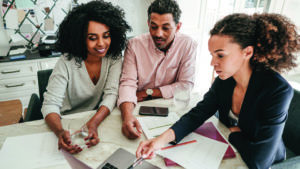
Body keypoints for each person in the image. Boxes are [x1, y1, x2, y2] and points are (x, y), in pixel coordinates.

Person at [136, 13, 299, 169]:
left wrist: (234, 135)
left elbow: (260, 162)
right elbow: (198, 113)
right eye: (212, 55)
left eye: (220, 55)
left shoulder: (277, 90)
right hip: (233, 149)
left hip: (267, 161)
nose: (213, 63)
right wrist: (159, 141)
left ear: (247, 52)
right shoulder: (225, 79)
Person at [41, 1, 131, 154]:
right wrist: (59, 131)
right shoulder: (66, 61)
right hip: (67, 121)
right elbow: (50, 104)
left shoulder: (114, 57)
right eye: (92, 38)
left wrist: (94, 123)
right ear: (81, 38)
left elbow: (111, 94)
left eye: (106, 36)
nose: (102, 43)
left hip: (97, 119)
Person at [118, 0, 198, 139]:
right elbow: (127, 83)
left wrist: (148, 92)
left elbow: (186, 85)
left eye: (166, 28)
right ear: (148, 24)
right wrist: (127, 116)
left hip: (172, 110)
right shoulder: (134, 45)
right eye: (153, 27)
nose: (158, 34)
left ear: (178, 27)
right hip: (137, 107)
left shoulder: (188, 44)